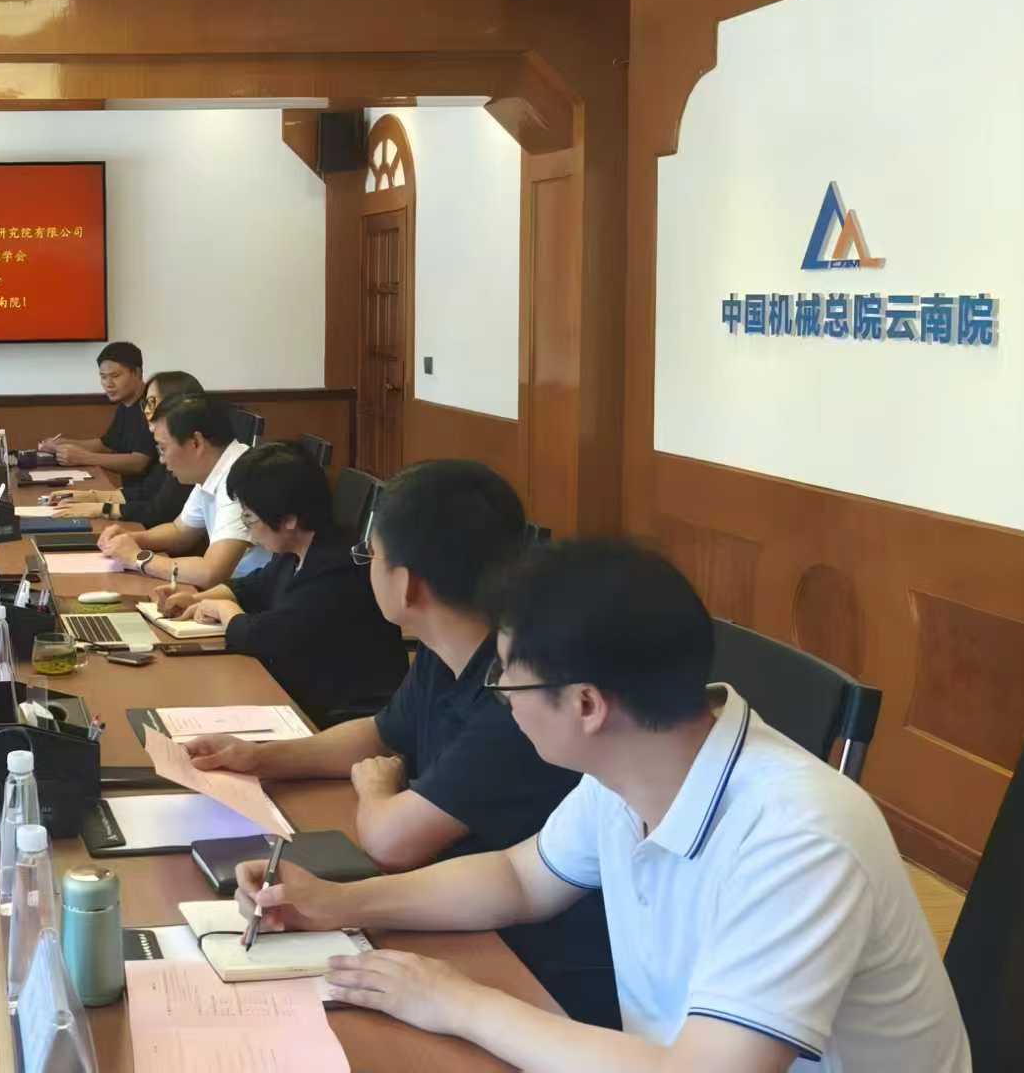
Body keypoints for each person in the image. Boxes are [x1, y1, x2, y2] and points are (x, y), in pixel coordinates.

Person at [241, 540, 970, 1072]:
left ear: (587, 705)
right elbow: (519, 879)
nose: (501, 700)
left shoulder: (800, 834)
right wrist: (339, 903)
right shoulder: (633, 767)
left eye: (507, 680)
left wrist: (459, 1002)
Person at [186, 459, 615, 1026]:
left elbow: (393, 840)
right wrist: (258, 757)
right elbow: (381, 733)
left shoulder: (520, 697)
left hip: (530, 964)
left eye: (371, 557)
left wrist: (376, 790)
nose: (365, 569)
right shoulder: (445, 651)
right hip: (468, 914)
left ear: (408, 583)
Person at [154, 442, 406, 723]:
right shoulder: (296, 549)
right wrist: (197, 599)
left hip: (344, 715)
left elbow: (264, 637)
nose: (248, 528)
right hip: (302, 689)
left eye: (249, 517)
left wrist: (224, 610)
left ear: (288, 520)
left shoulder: (336, 568)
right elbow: (254, 586)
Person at [97, 394, 266, 585]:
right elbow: (180, 531)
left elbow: (211, 572)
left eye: (163, 448)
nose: (161, 460)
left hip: (255, 596)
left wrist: (138, 558)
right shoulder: (214, 468)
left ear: (196, 443)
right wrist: (131, 539)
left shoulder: (241, 476)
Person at [50, 369, 201, 527]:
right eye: (146, 403)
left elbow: (159, 512)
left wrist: (102, 508)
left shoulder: (189, 451)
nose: (146, 411)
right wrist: (92, 496)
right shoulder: (129, 412)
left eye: (152, 403)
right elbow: (147, 491)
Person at [39, 341, 155, 479]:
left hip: (151, 491)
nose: (108, 384)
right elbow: (106, 445)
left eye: (115, 376)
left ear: (137, 373)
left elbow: (138, 462)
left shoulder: (152, 404)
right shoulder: (125, 405)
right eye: (103, 377)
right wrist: (62, 444)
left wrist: (84, 458)